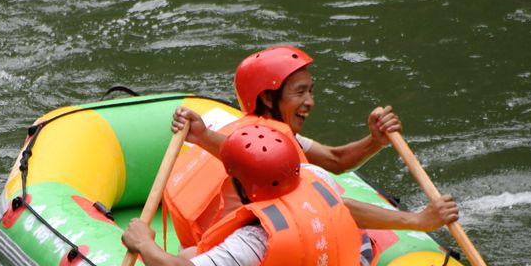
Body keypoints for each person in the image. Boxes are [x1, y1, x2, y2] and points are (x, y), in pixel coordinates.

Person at [125, 123, 457, 266]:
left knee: (185, 256)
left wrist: (143, 243)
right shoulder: (313, 178)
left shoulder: (253, 239)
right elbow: (345, 209)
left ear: (239, 183)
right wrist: (417, 221)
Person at [165, 45, 406, 246]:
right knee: (361, 242)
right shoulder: (258, 144)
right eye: (300, 92)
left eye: (310, 91)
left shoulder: (273, 134)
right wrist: (418, 220)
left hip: (211, 241)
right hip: (235, 245)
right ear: (268, 98)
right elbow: (241, 153)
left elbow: (335, 160)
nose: (310, 102)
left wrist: (375, 141)